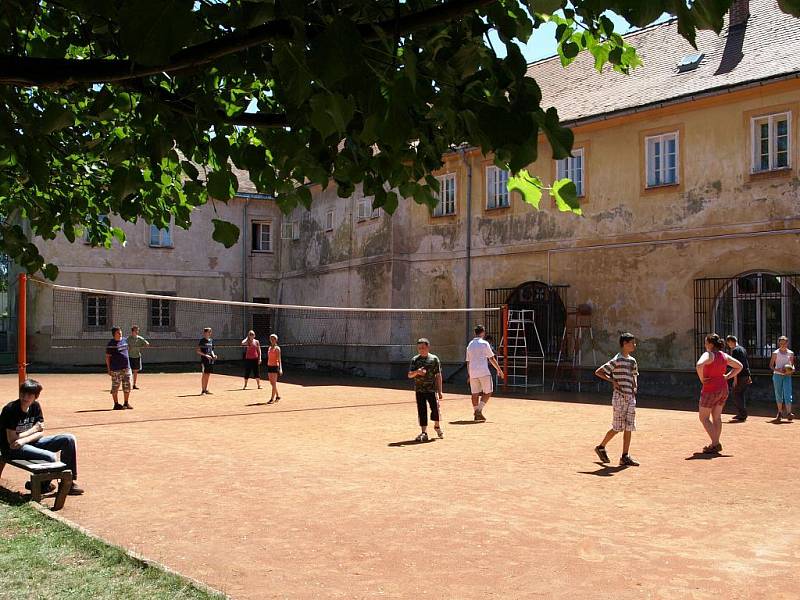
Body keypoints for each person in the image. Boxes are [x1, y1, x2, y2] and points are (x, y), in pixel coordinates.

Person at [1, 379, 84, 495]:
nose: (25, 397)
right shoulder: (10, 409)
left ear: (36, 396)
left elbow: (40, 432)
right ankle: (42, 486)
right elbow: (12, 440)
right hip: (12, 449)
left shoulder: (35, 406)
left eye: (29, 394)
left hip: (28, 443)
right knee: (50, 457)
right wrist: (34, 430)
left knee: (68, 439)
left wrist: (25, 438)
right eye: (22, 393)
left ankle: (68, 483)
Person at [594, 333, 640, 466]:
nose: (634, 345)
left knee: (629, 426)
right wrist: (612, 380)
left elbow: (634, 374)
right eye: (632, 343)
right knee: (618, 427)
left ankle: (625, 456)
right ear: (625, 344)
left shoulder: (632, 361)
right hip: (619, 397)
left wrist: (635, 386)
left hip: (630, 397)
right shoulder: (617, 360)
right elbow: (599, 371)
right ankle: (601, 447)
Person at [696, 333, 742, 454]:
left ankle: (715, 443)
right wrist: (727, 376)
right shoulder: (724, 355)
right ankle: (715, 443)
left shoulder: (709, 354)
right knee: (716, 417)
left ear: (711, 344)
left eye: (706, 342)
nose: (705, 345)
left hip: (710, 389)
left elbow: (699, 365)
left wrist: (702, 379)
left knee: (704, 417)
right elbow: (739, 366)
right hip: (723, 388)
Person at [465, 325, 504, 422]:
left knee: (474, 393)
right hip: (483, 372)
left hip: (473, 372)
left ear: (475, 333)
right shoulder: (484, 343)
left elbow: (468, 361)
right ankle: (478, 410)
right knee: (488, 391)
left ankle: (476, 412)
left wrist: (469, 374)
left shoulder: (470, 345)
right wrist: (499, 369)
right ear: (483, 332)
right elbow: (491, 358)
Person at [407, 338, 443, 442]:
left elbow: (438, 375)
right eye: (419, 348)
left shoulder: (434, 359)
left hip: (431, 390)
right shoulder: (415, 360)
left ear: (428, 347)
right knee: (422, 411)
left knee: (435, 409)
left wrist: (440, 391)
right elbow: (409, 375)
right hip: (419, 390)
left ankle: (437, 426)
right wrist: (417, 372)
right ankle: (424, 432)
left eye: (423, 347)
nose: (421, 350)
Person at [106, 326, 133, 410]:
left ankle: (126, 403)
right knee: (115, 387)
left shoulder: (124, 340)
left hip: (126, 368)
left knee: (127, 387)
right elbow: (107, 357)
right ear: (114, 334)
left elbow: (128, 349)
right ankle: (116, 404)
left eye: (120, 331)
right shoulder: (111, 344)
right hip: (116, 369)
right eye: (118, 332)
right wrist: (109, 369)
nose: (120, 333)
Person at [769, 336, 795, 422]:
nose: (783, 344)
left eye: (785, 343)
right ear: (779, 343)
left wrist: (792, 369)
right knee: (778, 394)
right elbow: (771, 365)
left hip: (787, 375)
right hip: (777, 375)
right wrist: (778, 369)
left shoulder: (790, 353)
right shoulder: (775, 353)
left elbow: (792, 364)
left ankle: (789, 413)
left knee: (788, 393)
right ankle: (779, 413)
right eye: (781, 343)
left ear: (787, 343)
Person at [725, 335, 751, 422]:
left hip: (740, 375)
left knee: (735, 393)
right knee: (740, 394)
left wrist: (735, 379)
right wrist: (749, 375)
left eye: (728, 343)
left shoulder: (735, 350)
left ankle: (742, 413)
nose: (728, 346)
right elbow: (746, 363)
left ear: (730, 342)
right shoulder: (743, 349)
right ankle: (742, 413)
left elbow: (736, 366)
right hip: (745, 374)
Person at [126, 325, 150, 390]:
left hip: (137, 356)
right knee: (128, 371)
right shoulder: (128, 339)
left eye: (137, 330)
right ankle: (128, 384)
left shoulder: (140, 338)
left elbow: (147, 344)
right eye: (136, 330)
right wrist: (127, 347)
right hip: (130, 356)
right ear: (132, 331)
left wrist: (145, 345)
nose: (137, 331)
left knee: (135, 371)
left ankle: (134, 384)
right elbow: (125, 345)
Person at [197, 327, 217, 395]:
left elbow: (211, 350)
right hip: (204, 360)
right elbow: (198, 351)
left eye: (210, 332)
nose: (209, 333)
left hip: (210, 361)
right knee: (204, 374)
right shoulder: (202, 341)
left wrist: (213, 355)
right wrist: (206, 355)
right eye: (208, 332)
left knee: (208, 374)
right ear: (205, 333)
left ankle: (206, 389)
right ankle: (203, 390)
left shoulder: (211, 340)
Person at [266, 334, 282, 404]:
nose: (272, 340)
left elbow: (279, 359)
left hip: (275, 366)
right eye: (271, 339)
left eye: (273, 339)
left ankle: (272, 398)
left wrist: (280, 368)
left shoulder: (277, 348)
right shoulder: (269, 348)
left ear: (276, 340)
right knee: (271, 383)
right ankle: (278, 396)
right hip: (269, 366)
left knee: (274, 383)